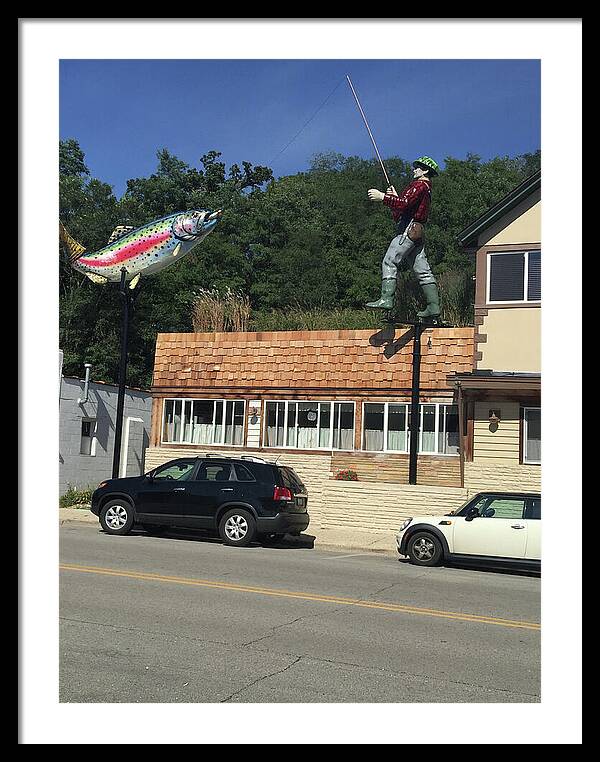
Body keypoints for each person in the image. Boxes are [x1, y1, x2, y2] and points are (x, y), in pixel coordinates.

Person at [365, 155, 441, 319]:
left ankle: (386, 299)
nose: (414, 169)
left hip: (408, 230)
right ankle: (433, 307)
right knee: (423, 271)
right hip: (418, 232)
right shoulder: (426, 189)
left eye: (417, 167)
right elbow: (401, 210)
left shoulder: (419, 185)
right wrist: (394, 198)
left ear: (425, 170)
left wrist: (383, 197)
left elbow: (404, 204)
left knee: (389, 261)